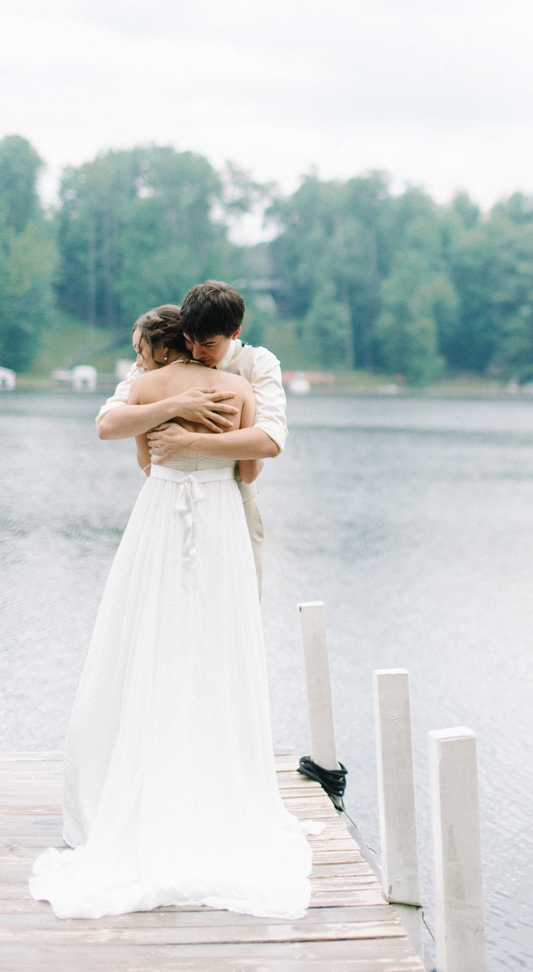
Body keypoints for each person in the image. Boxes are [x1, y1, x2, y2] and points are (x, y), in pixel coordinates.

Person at [29, 305, 317, 920]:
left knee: (146, 638)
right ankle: (213, 790)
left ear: (163, 346)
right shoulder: (237, 387)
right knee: (215, 645)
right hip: (219, 520)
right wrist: (198, 433)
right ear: (193, 339)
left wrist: (173, 434)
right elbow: (251, 465)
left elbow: (140, 456)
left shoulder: (147, 384)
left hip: (158, 519)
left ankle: (130, 788)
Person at [95, 281, 287, 597]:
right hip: (172, 504)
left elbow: (269, 441)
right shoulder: (160, 359)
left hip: (236, 506)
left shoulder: (257, 364)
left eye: (209, 345)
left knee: (239, 605)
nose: (197, 353)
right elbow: (108, 425)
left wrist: (188, 443)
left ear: (235, 333)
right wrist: (177, 405)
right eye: (190, 341)